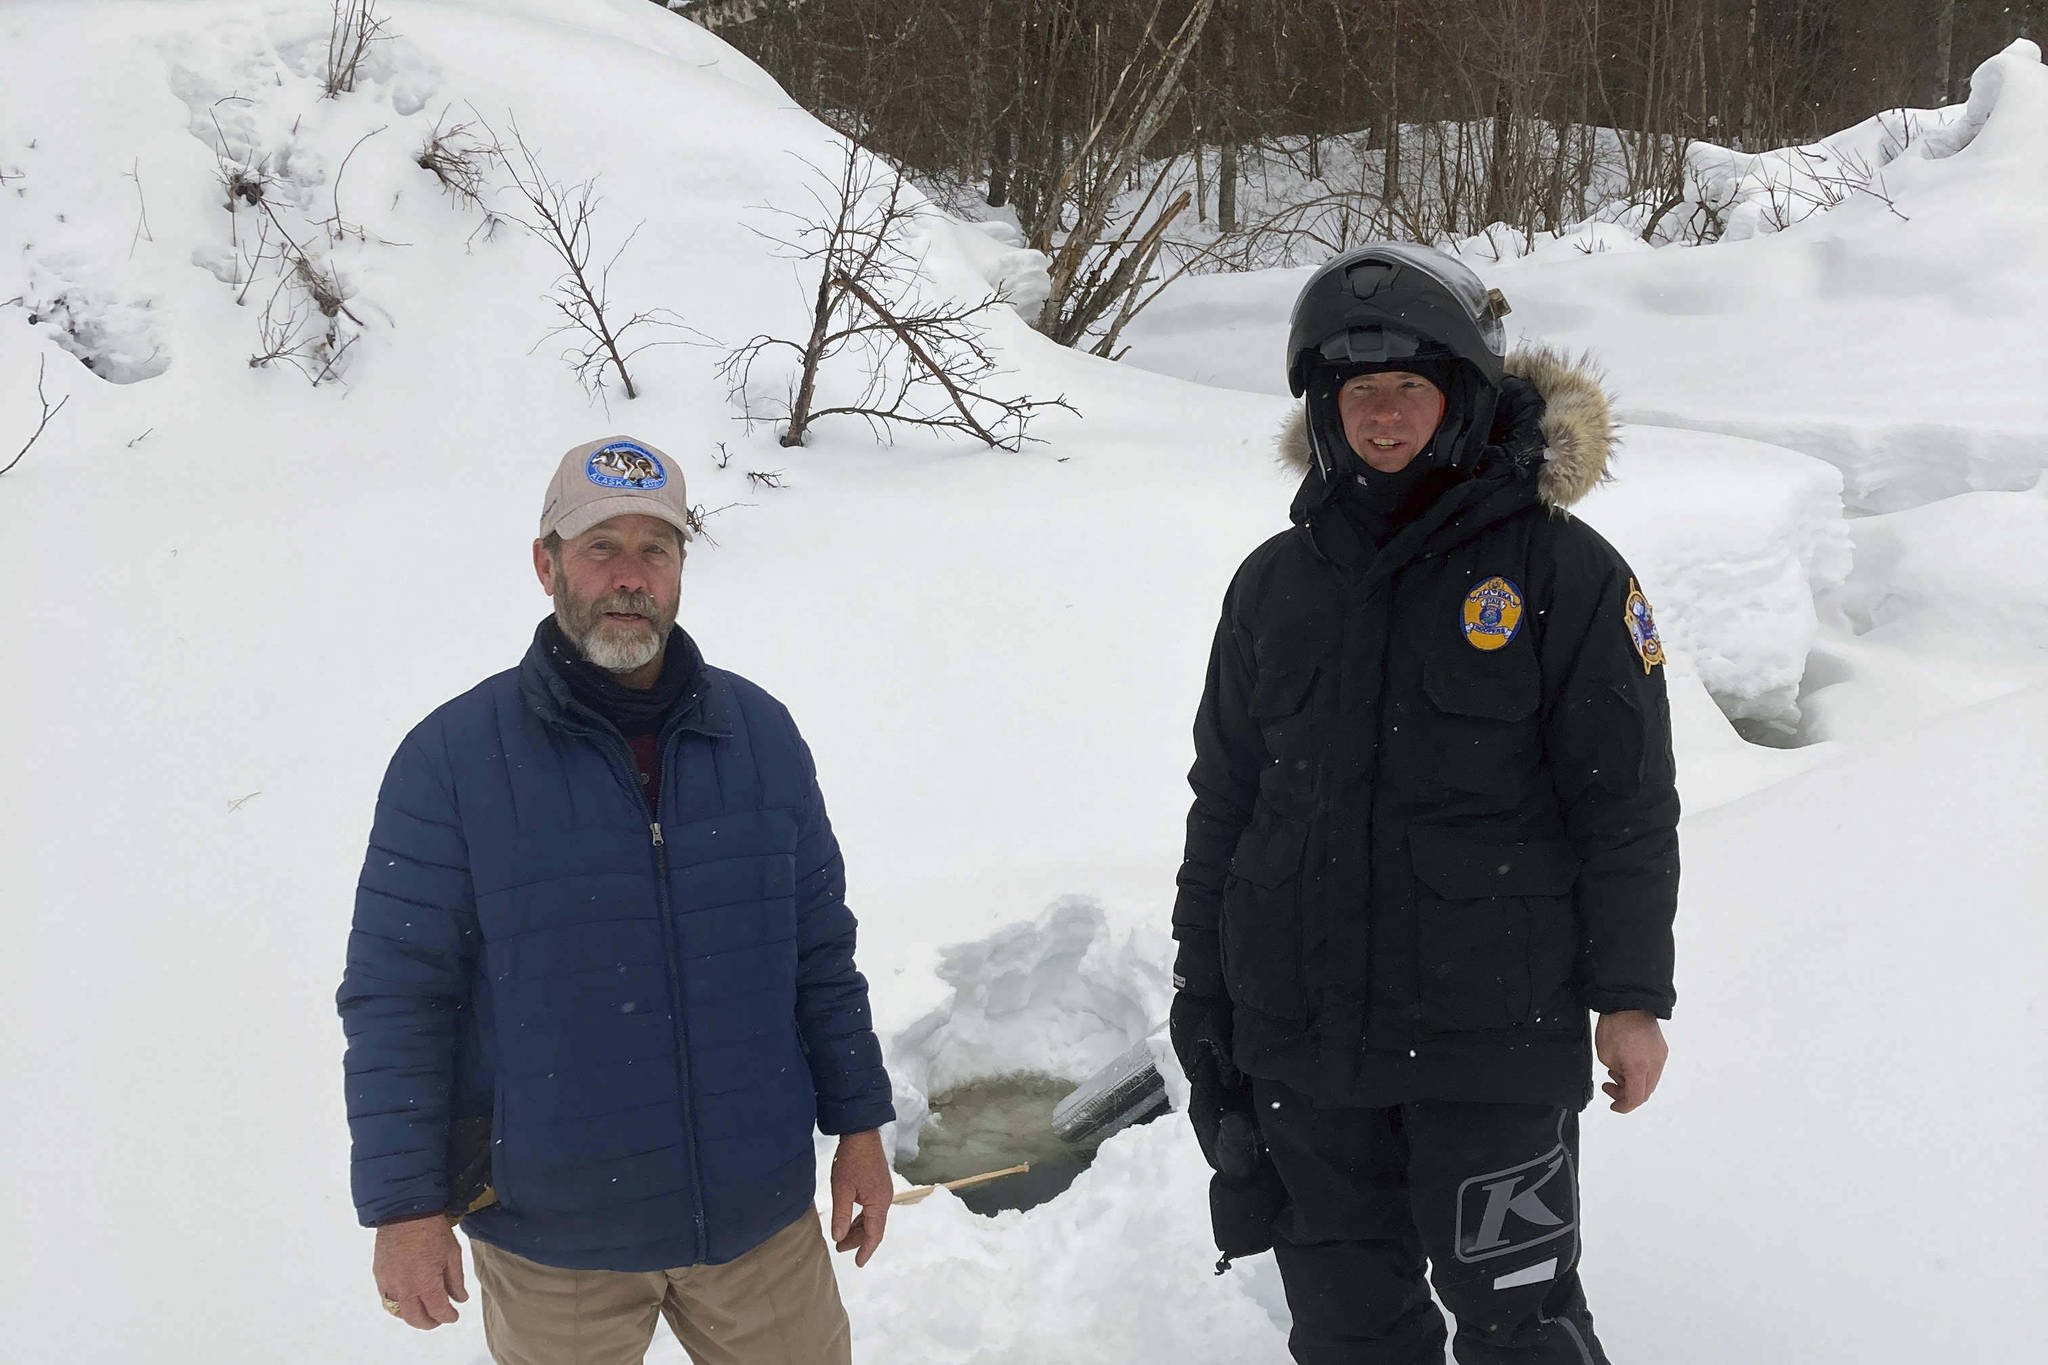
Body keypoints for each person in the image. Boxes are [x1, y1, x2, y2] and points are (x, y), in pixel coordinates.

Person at [1169, 244, 1679, 1365]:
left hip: (1490, 1049)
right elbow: (1225, 803)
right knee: (1350, 1337)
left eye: (1408, 388)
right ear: (1321, 404)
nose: (1383, 416)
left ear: (1462, 395)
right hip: (1303, 1052)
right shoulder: (1272, 584)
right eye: (1358, 392)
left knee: (1521, 1331)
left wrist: (1631, 998)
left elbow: (1625, 806)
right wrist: (1201, 992)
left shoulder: (1565, 573)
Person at [338, 436, 896, 1365]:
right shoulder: (451, 760)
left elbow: (818, 950)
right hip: (556, 1244)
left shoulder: (758, 734)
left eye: (656, 548)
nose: (629, 577)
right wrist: (404, 1205)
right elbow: (398, 994)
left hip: (758, 1223)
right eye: (601, 548)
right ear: (545, 562)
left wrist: (860, 1126)